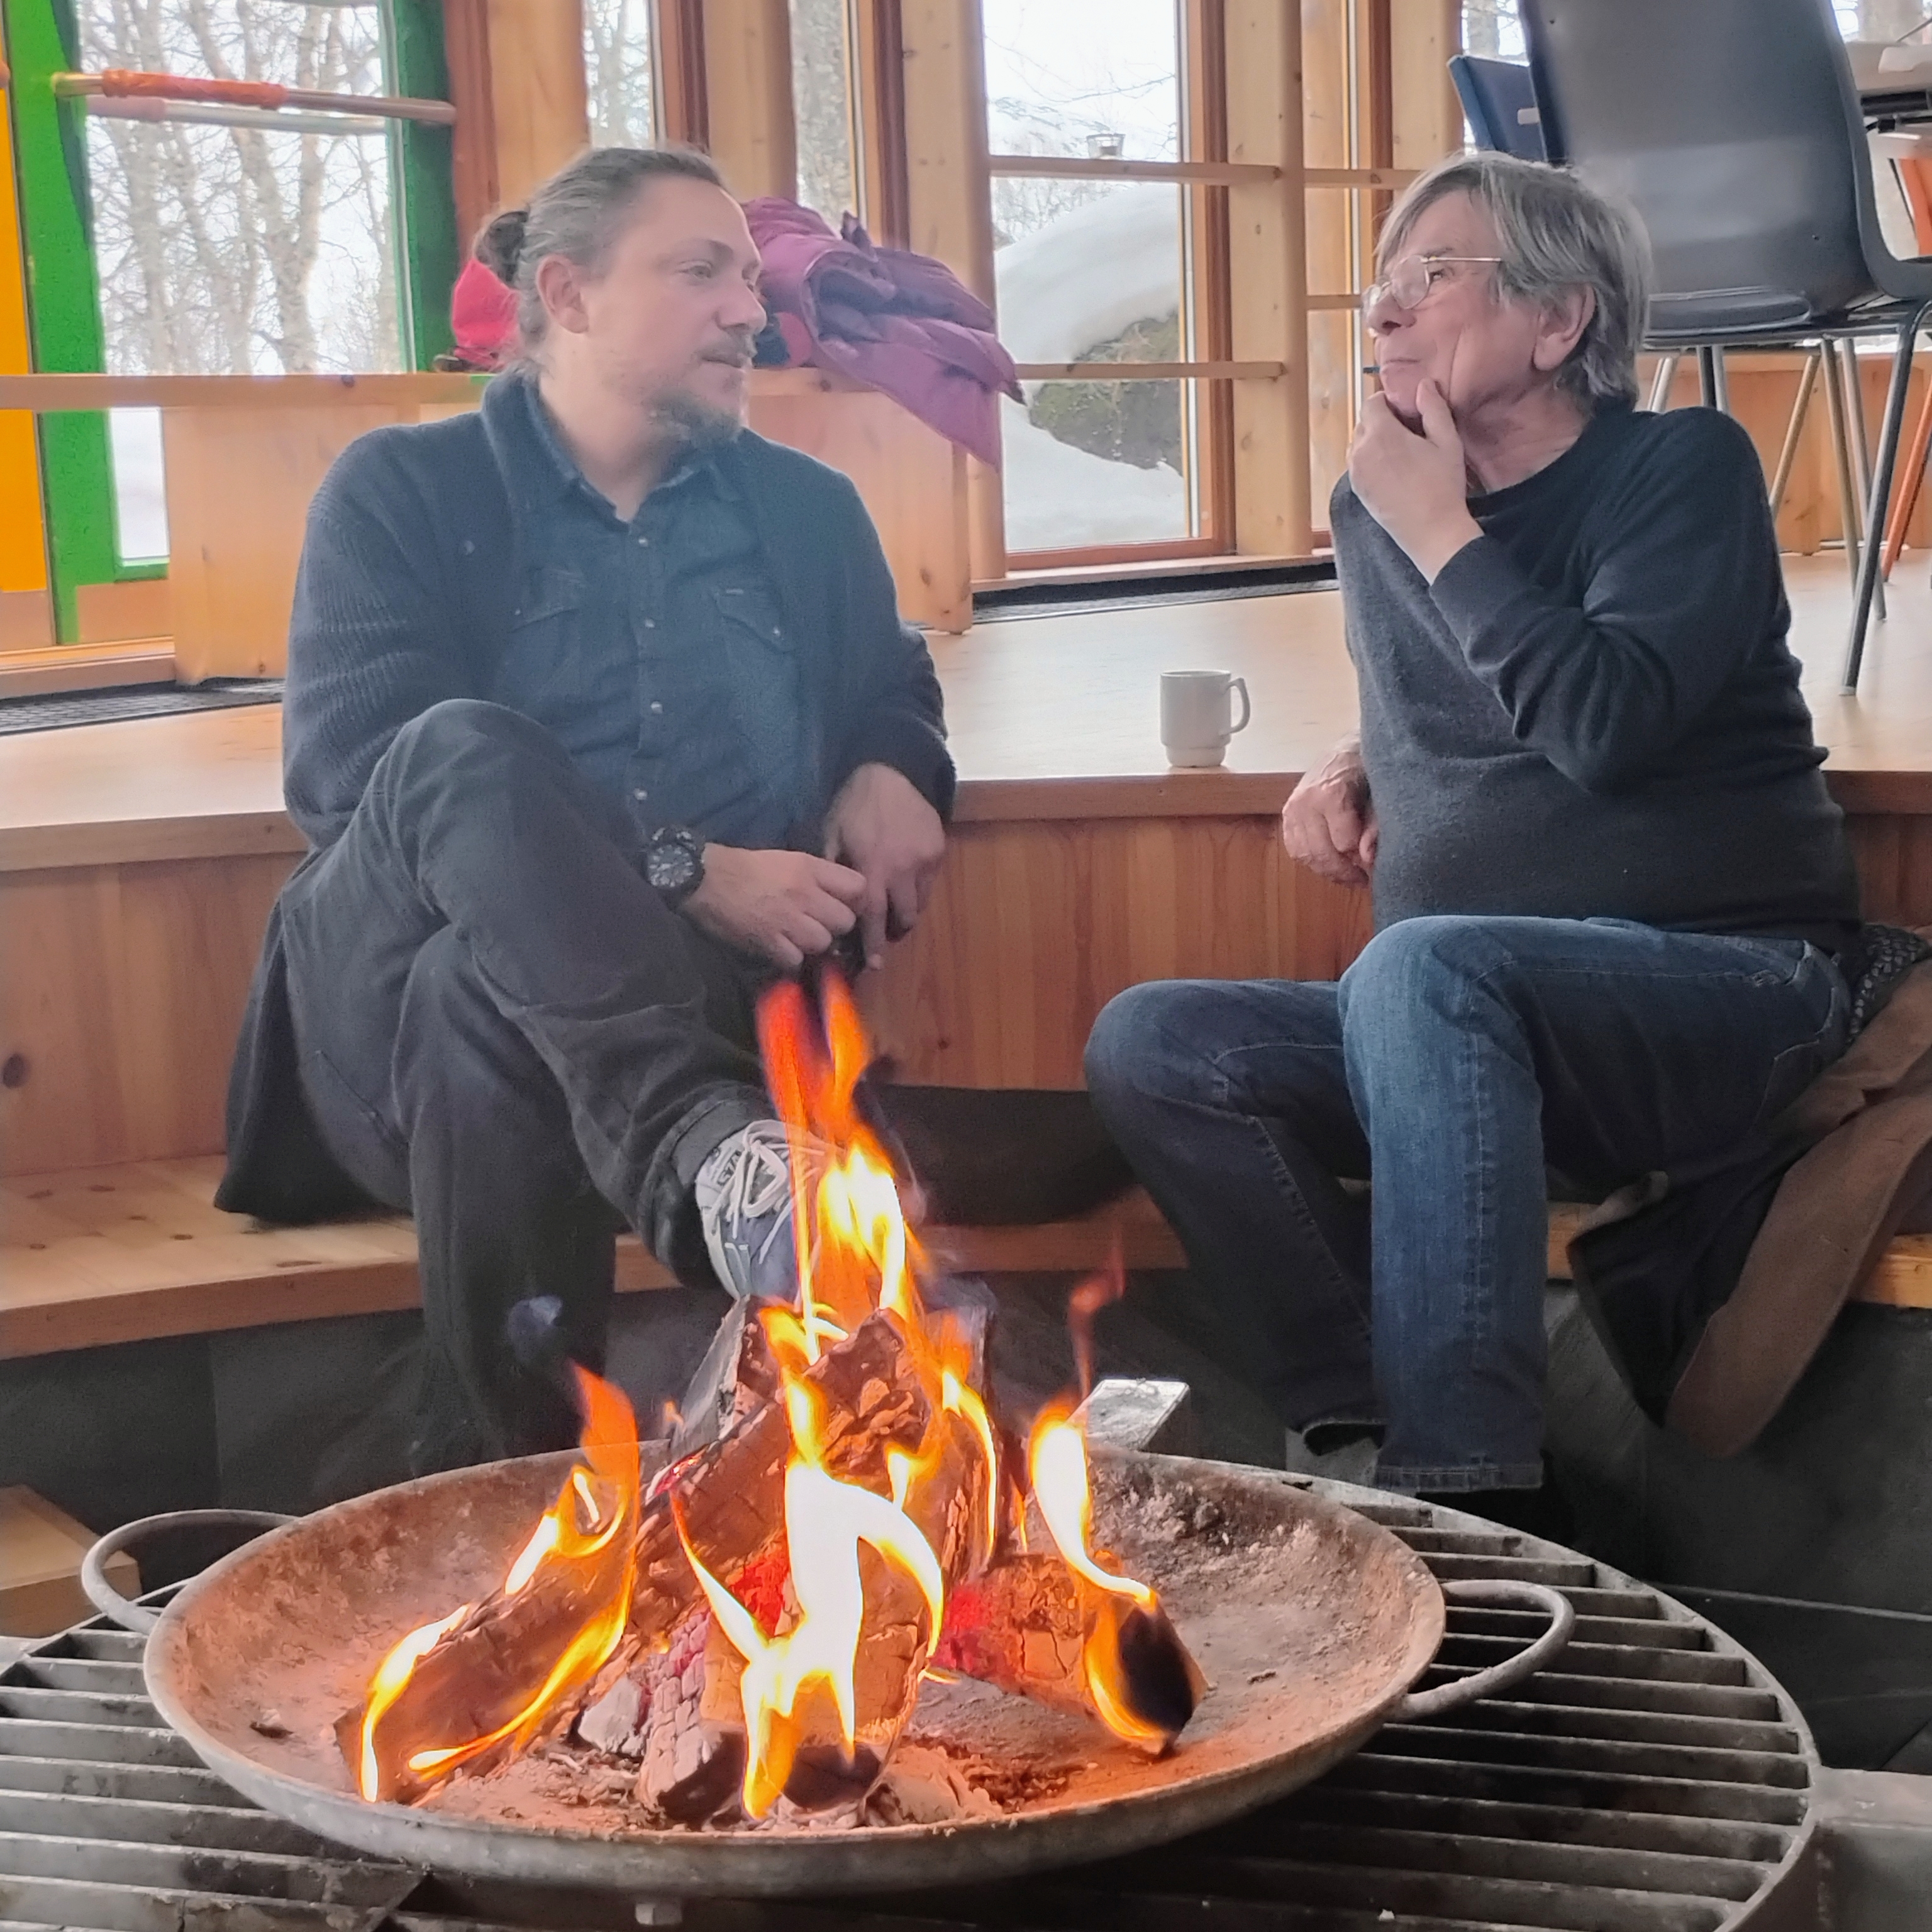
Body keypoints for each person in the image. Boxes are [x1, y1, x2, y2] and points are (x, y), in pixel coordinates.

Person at [1084, 152, 1860, 1528]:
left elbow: (1607, 723)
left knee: (1424, 968)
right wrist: (1365, 754)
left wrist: (1440, 527)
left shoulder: (1680, 469)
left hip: (1734, 991)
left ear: (1558, 323)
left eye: (1427, 280)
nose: (1383, 313)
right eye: (1379, 287)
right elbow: (1460, 708)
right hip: (1460, 1036)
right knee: (1159, 1040)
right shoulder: (1379, 512)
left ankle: (1477, 1511)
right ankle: (1380, 1450)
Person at [216, 147, 953, 1473]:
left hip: (638, 1012)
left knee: (478, 999)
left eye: (749, 276)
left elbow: (892, 676)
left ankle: (529, 1502)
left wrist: (895, 761)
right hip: (371, 1044)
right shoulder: (399, 492)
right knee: (461, 756)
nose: (756, 309)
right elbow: (351, 777)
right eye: (702, 273)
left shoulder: (807, 513)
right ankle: (708, 1155)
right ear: (569, 293)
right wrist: (679, 864)